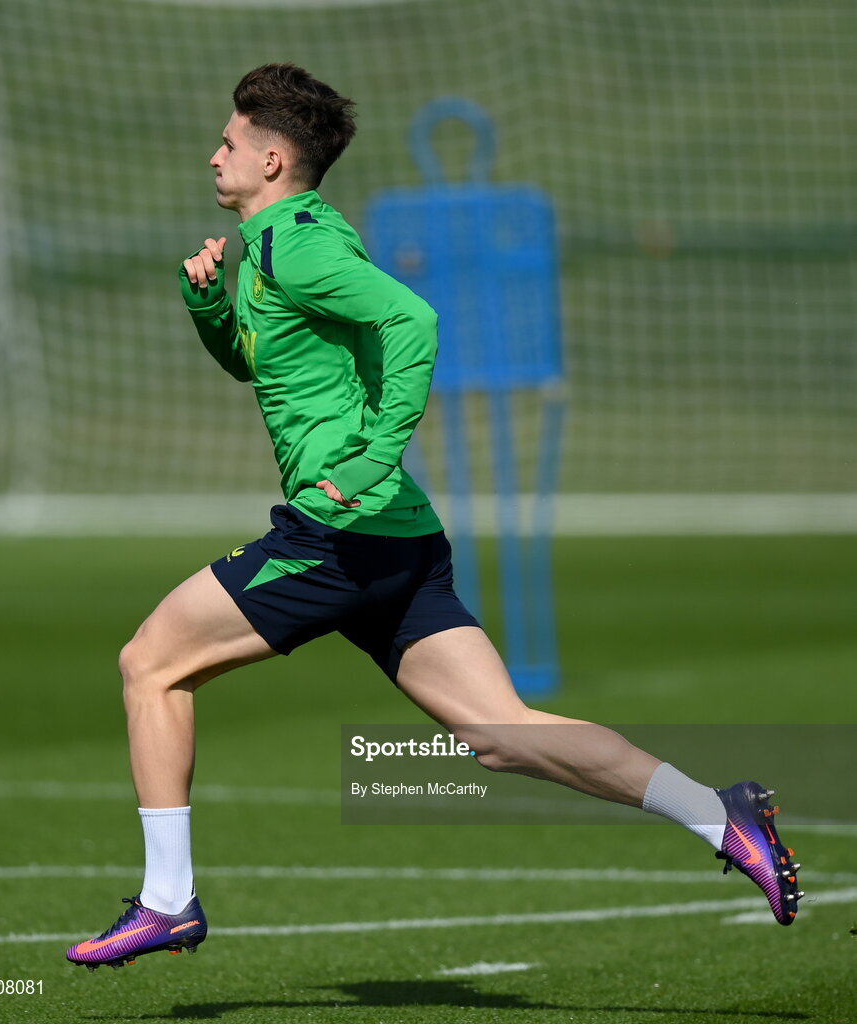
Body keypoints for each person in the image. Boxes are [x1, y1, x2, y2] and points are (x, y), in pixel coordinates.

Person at [66, 64, 802, 971]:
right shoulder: (277, 244)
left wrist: (371, 457)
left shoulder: (297, 247)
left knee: (151, 664)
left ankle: (168, 900)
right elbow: (265, 368)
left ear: (269, 157)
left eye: (226, 144)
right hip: (393, 536)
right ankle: (719, 814)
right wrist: (207, 307)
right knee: (503, 733)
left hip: (338, 533)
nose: (212, 156)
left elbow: (413, 321)